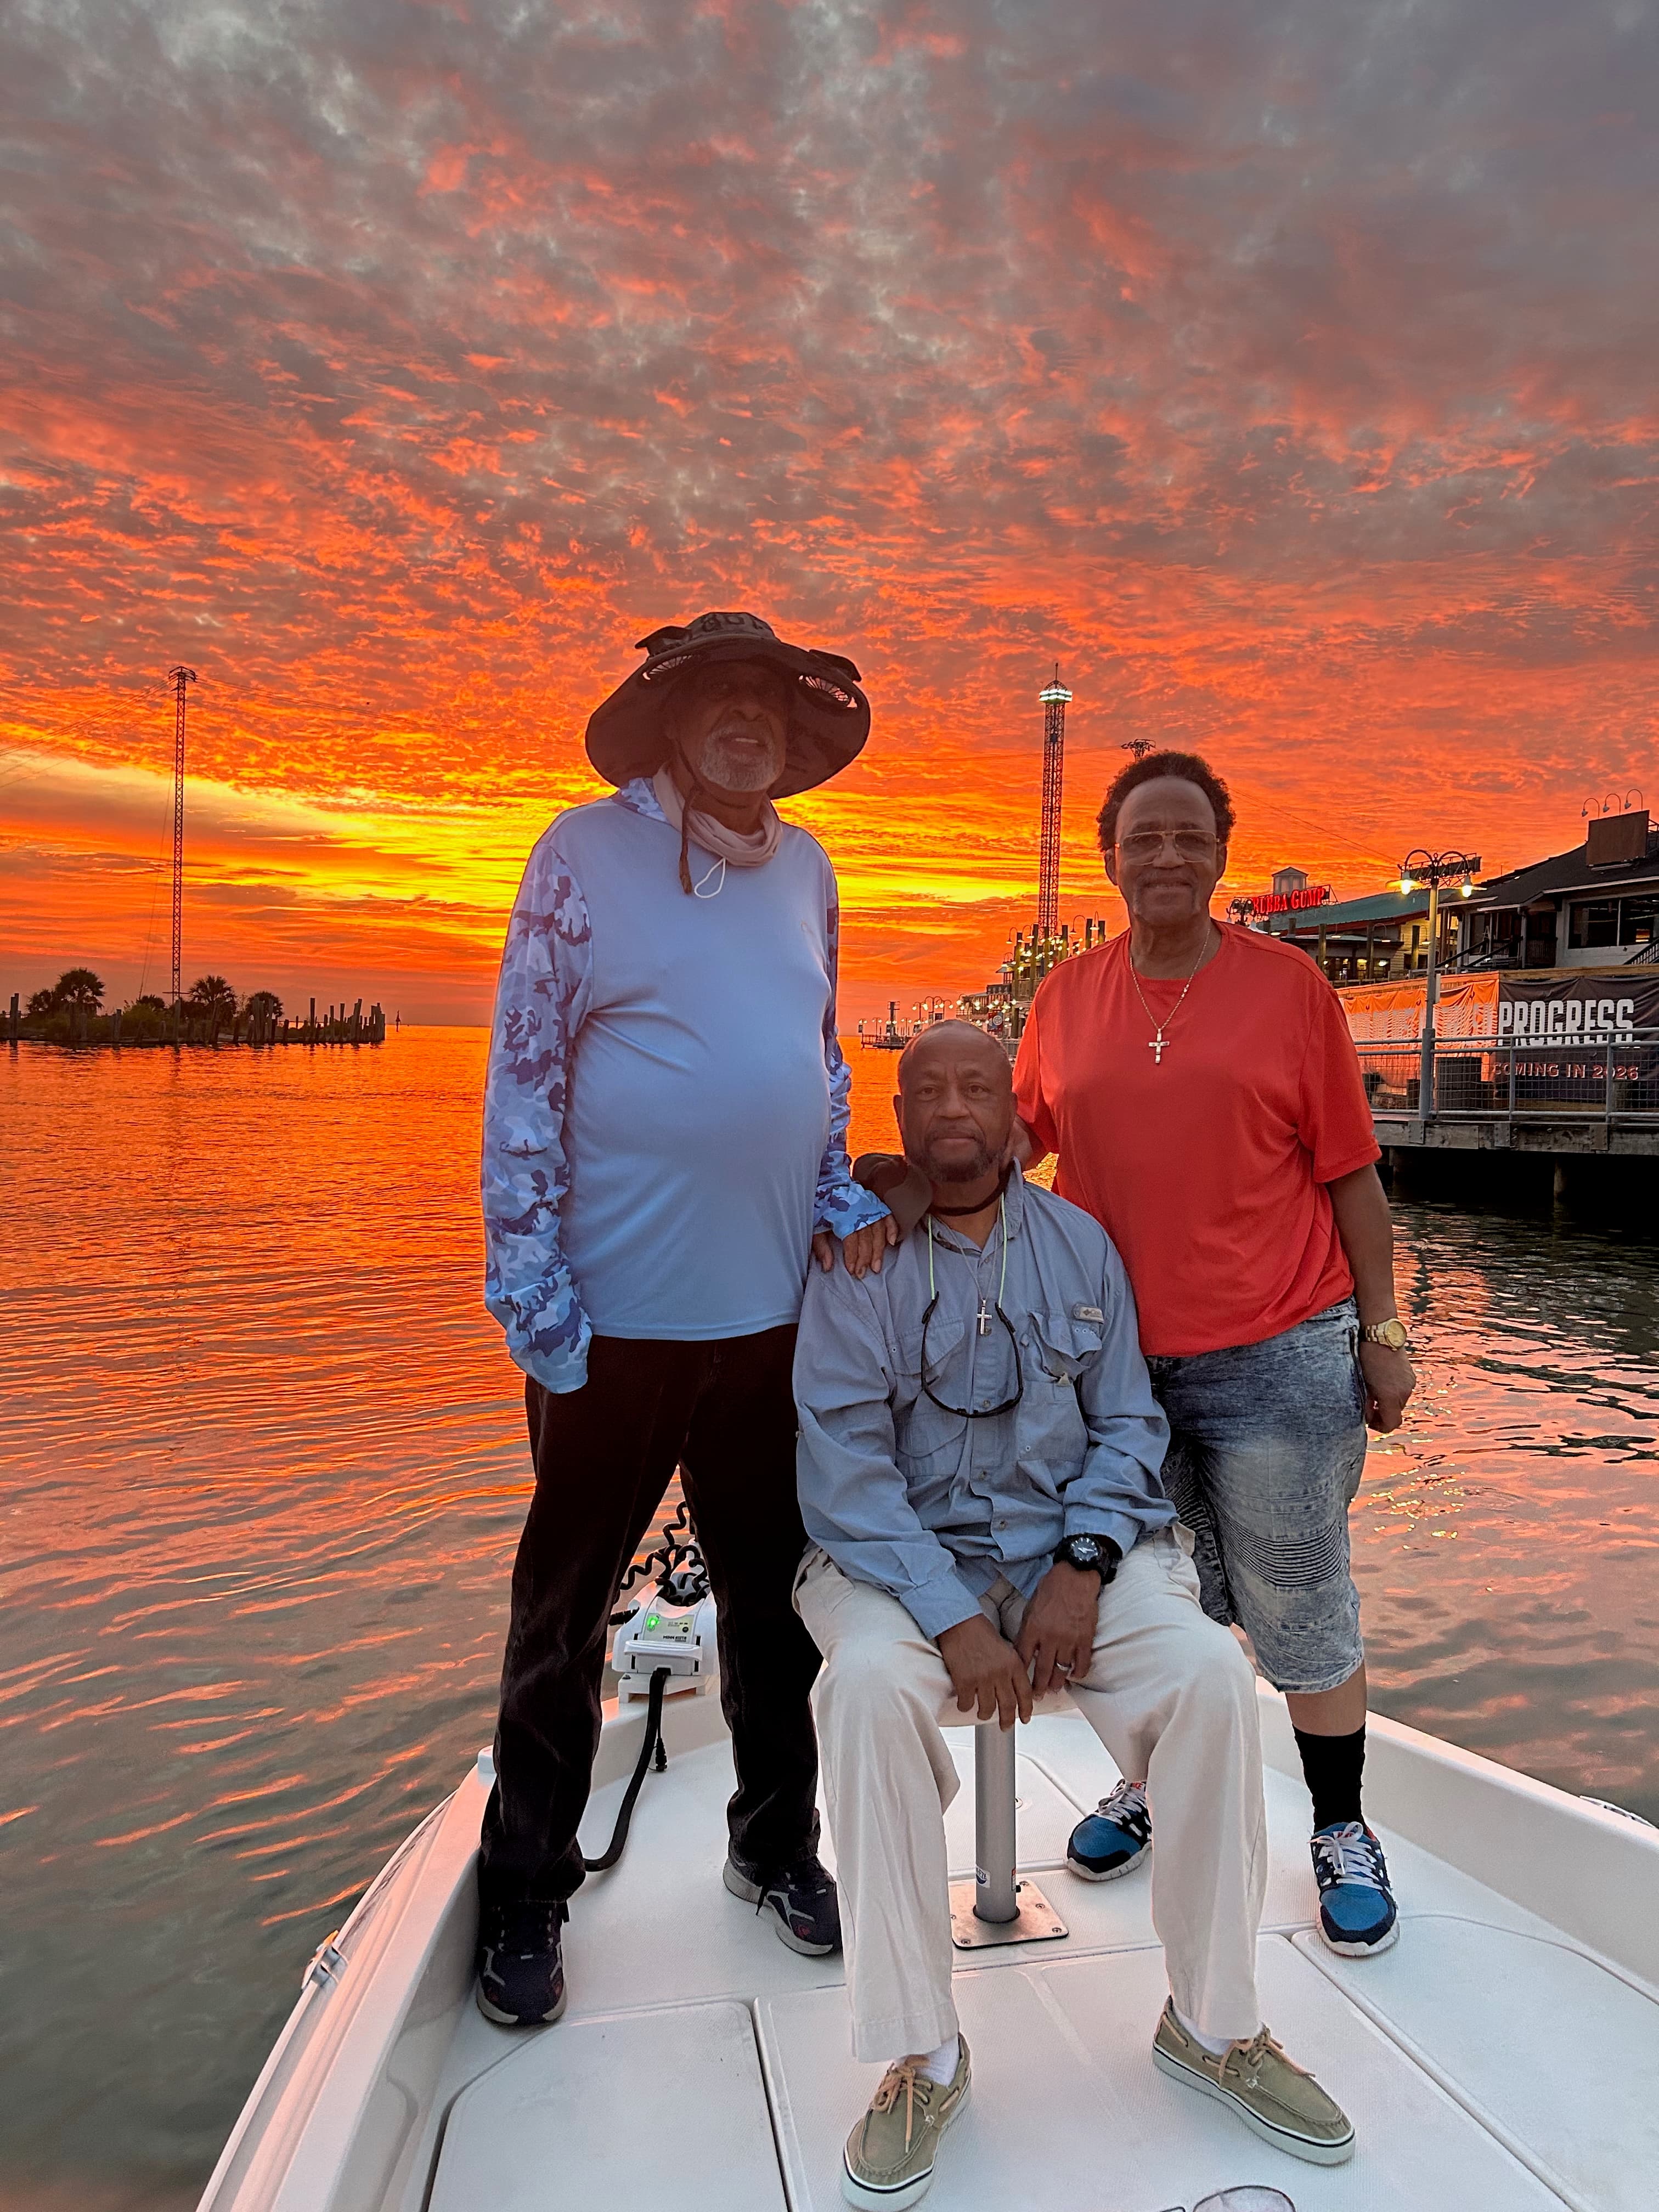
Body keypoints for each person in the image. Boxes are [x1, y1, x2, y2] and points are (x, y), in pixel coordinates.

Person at [795, 1022, 1355, 2209]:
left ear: (1016, 1115)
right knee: (860, 1692)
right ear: (898, 1122)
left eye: (978, 1088)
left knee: (1209, 1675)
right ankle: (922, 2054)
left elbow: (1130, 1428)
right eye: (927, 1091)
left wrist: (1085, 1566)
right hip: (904, 1570)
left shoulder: (1083, 1248)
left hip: (1070, 1559)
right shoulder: (854, 1265)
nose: (954, 1108)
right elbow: (844, 1465)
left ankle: (1214, 2025)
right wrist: (954, 1621)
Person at [476, 609, 898, 2026]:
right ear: (667, 723)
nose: (746, 720)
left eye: (768, 704)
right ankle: (525, 1891)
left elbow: (817, 1066)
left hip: (772, 1319)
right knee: (563, 1611)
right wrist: (529, 1277)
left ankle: (775, 1850)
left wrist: (840, 1198)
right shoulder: (577, 854)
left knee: (775, 1613)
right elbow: (526, 1070)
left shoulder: (812, 872)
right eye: (717, 697)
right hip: (610, 1321)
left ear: (795, 737)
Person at [1012, 748, 1417, 1960]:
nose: (1168, 857)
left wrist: (1386, 1334)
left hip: (1281, 1350)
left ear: (1221, 855)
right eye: (1145, 838)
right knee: (1145, 1596)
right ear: (1111, 858)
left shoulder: (1289, 989)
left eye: (1190, 836)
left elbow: (1352, 1175)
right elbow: (1011, 1152)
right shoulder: (1067, 998)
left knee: (1297, 1592)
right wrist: (886, 1207)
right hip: (1115, 1369)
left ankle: (1341, 1827)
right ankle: (1149, 1780)